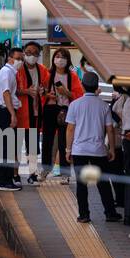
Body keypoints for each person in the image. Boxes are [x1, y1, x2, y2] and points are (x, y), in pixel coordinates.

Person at [64, 71, 121, 224]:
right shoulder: (103, 106)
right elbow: (110, 129)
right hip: (98, 150)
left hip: (79, 150)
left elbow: (70, 129)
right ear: (97, 87)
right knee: (102, 182)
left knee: (82, 184)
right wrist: (112, 149)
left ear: (82, 86)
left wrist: (68, 150)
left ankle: (84, 215)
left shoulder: (75, 105)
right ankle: (110, 213)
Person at [42, 46, 84, 178]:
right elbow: (41, 92)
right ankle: (45, 169)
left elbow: (79, 95)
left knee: (64, 142)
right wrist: (48, 95)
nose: (60, 60)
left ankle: (65, 172)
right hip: (50, 109)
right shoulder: (48, 74)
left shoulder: (72, 76)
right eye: (58, 56)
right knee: (47, 141)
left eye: (63, 57)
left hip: (66, 110)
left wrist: (66, 92)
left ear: (68, 60)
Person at [0, 46, 22, 190]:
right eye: (17, 59)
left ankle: (7, 179)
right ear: (10, 58)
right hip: (4, 112)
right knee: (6, 147)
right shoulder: (7, 72)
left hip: (3, 112)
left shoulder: (9, 72)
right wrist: (13, 114)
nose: (20, 61)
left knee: (7, 146)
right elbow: (6, 93)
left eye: (21, 59)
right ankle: (3, 182)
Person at [15, 41, 47, 182]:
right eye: (28, 52)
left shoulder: (42, 70)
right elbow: (10, 90)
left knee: (32, 146)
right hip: (19, 113)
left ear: (39, 55)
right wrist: (26, 91)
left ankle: (32, 174)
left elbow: (47, 88)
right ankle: (15, 174)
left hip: (35, 113)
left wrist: (43, 91)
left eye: (35, 53)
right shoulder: (17, 69)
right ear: (23, 52)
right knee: (15, 145)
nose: (31, 55)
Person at [112, 87, 130, 227]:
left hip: (127, 136)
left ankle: (129, 215)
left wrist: (125, 124)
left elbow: (116, 109)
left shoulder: (124, 100)